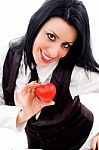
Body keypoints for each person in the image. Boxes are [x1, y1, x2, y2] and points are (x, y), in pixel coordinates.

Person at [0, 0, 99, 149]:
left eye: (66, 45)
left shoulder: (74, 73)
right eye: (51, 36)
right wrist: (23, 114)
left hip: (85, 143)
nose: (54, 52)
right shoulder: (5, 58)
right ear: (37, 24)